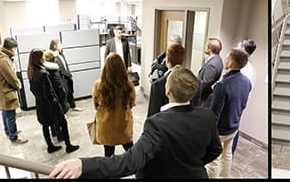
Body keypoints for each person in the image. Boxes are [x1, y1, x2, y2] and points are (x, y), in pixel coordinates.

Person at [50, 65, 222, 179]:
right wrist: (190, 165)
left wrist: (83, 165)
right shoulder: (206, 116)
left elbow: (129, 163)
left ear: (168, 91)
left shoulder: (157, 124)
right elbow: (215, 150)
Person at [206, 48, 253, 178]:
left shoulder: (222, 85)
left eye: (227, 58)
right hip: (234, 127)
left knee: (213, 161)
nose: (224, 60)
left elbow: (214, 114)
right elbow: (243, 105)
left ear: (231, 64)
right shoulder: (247, 82)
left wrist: (210, 133)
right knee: (227, 155)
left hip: (220, 131)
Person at [28, 49, 80, 154]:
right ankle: (68, 146)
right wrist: (57, 105)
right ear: (38, 59)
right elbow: (49, 93)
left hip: (40, 103)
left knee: (45, 125)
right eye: (42, 56)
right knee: (63, 123)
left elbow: (32, 89)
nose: (44, 58)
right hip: (50, 104)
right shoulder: (43, 74)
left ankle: (50, 146)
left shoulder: (31, 71)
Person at [93, 53, 136, 157]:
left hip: (106, 127)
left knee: (108, 154)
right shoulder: (128, 85)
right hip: (123, 125)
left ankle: (110, 172)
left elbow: (95, 105)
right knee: (131, 151)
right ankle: (138, 170)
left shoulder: (98, 85)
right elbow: (132, 104)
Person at [0, 37, 28, 144]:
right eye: (14, 49)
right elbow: (11, 77)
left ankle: (8, 131)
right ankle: (14, 137)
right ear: (11, 48)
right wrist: (18, 84)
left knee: (5, 113)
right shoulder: (3, 60)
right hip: (6, 92)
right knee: (11, 115)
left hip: (1, 91)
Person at [147, 41, 186, 117]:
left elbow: (152, 115)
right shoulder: (192, 82)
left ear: (167, 60)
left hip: (163, 125)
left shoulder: (158, 85)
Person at [48, 39, 80, 112]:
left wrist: (69, 74)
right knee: (62, 94)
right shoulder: (52, 56)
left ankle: (73, 106)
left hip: (67, 76)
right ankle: (63, 112)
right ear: (55, 46)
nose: (61, 46)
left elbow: (65, 65)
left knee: (70, 92)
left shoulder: (61, 54)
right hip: (61, 77)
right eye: (60, 44)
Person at [194, 37, 224, 107]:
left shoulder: (212, 64)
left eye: (206, 45)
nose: (204, 47)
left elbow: (205, 84)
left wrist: (193, 94)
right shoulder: (218, 59)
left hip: (203, 99)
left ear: (210, 49)